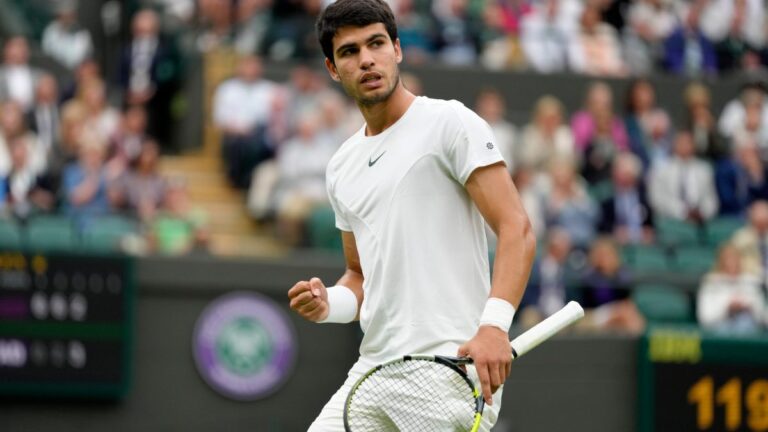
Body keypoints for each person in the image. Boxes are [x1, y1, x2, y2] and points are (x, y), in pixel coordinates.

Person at [287, 1, 536, 430]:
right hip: (372, 370)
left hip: (447, 370)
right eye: (349, 52)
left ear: (397, 50)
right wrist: (330, 303)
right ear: (332, 68)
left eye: (376, 44)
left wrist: (495, 326)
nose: (366, 59)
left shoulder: (450, 123)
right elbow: (359, 276)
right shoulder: (341, 165)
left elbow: (517, 228)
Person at [697, 244, 765, 333]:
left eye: (735, 259)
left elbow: (764, 317)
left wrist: (750, 308)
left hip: (749, 329)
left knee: (745, 324)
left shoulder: (751, 282)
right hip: (719, 331)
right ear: (721, 261)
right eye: (728, 259)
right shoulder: (711, 283)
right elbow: (705, 318)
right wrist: (727, 308)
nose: (732, 263)